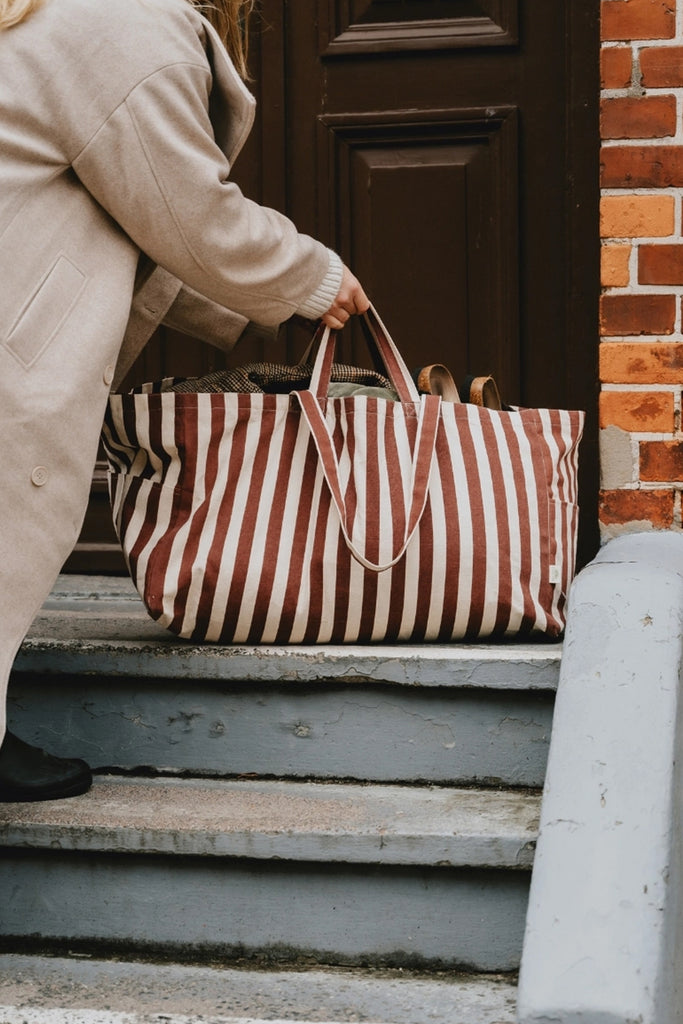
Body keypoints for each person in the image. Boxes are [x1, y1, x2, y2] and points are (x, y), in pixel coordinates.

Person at [0, 0, 370, 801]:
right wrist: (313, 279)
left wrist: (240, 307)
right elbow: (187, 210)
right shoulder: (117, 23)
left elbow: (119, 203)